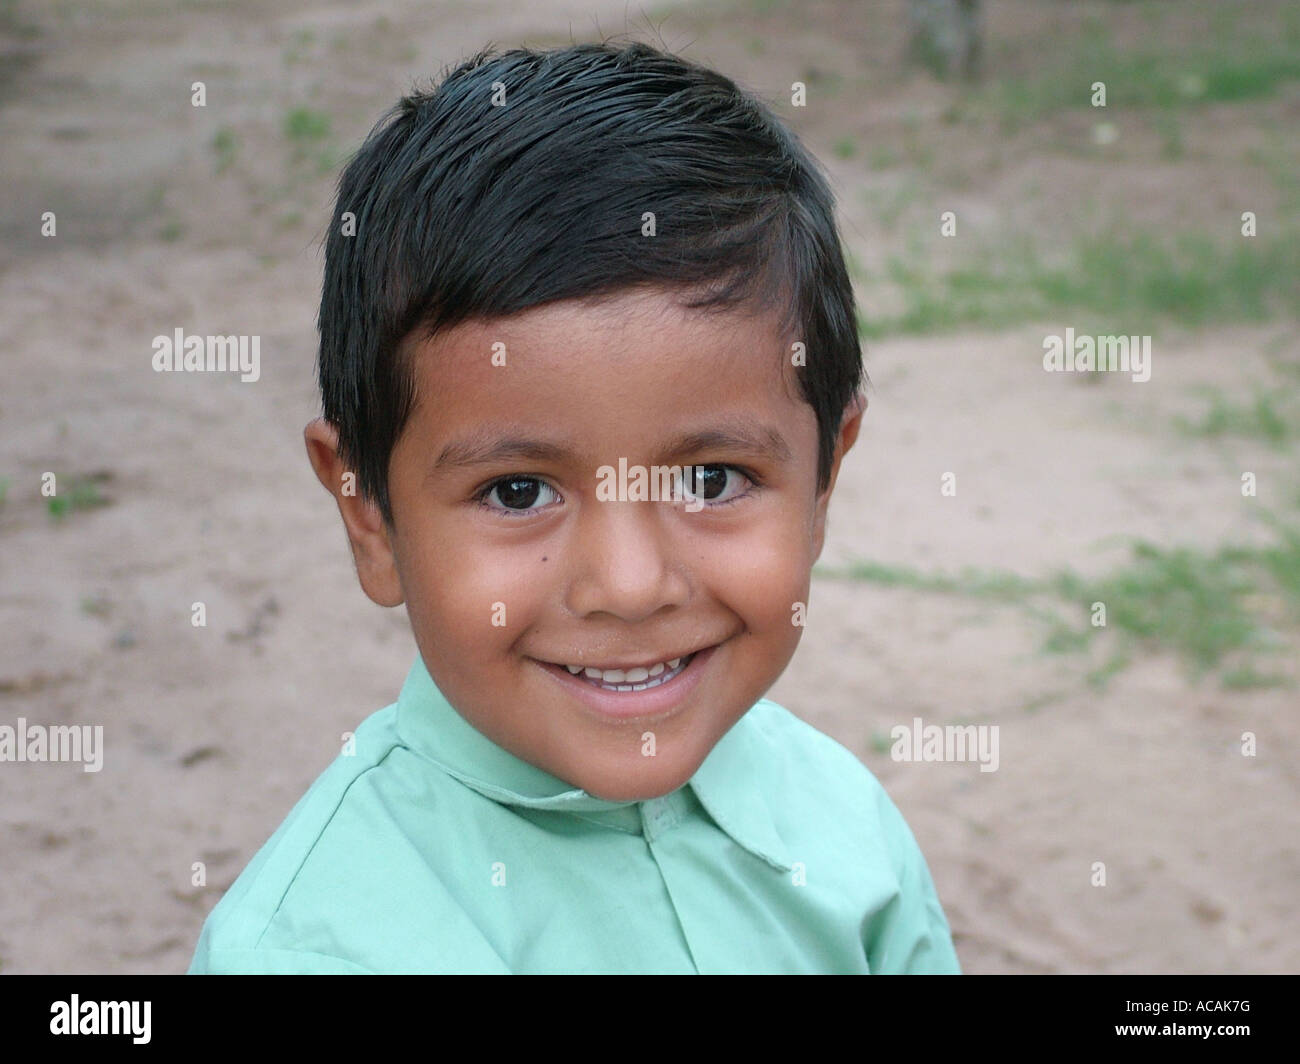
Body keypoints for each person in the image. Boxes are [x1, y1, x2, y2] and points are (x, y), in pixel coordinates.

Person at [188, 40, 961, 974]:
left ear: (825, 481)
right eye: (518, 492)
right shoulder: (316, 950)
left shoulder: (843, 822)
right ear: (368, 513)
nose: (630, 587)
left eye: (710, 480)